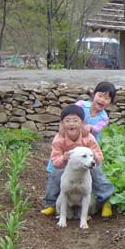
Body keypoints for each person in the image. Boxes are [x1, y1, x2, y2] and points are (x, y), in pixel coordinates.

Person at [43, 82, 116, 217]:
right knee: (55, 175)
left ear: (110, 102)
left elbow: (97, 130)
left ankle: (105, 201)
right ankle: (52, 204)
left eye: (106, 98)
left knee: (97, 176)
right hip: (66, 158)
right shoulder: (81, 106)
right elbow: (70, 112)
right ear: (94, 95)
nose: (102, 100)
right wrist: (64, 128)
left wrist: (90, 130)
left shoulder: (103, 118)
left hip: (88, 152)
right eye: (100, 96)